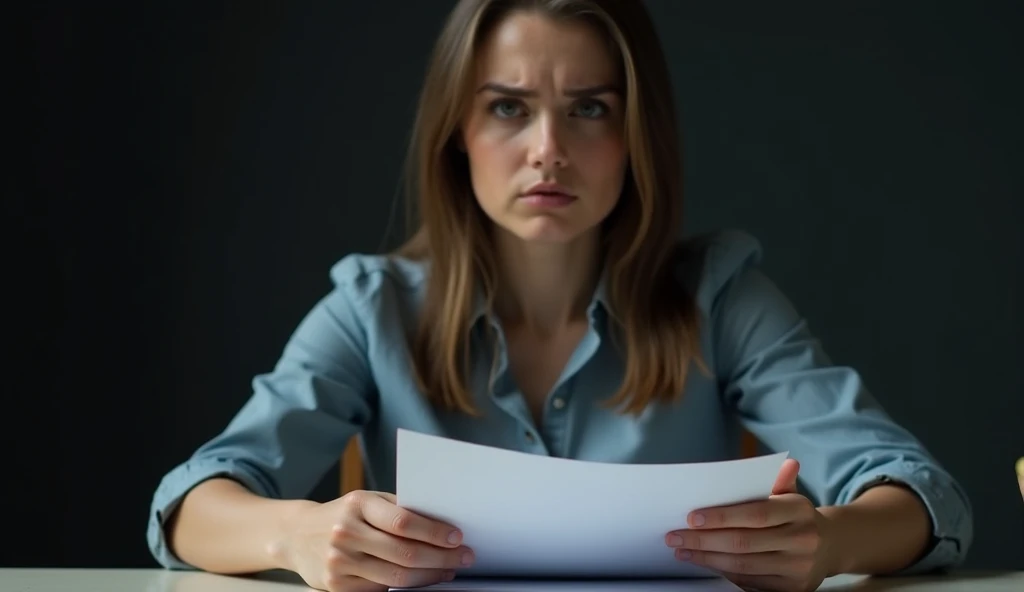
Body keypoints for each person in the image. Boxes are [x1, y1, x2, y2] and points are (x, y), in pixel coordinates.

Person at [147, 1, 973, 591]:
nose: (549, 152)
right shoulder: (374, 309)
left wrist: (828, 541)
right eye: (508, 107)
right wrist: (297, 533)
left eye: (589, 110)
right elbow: (194, 502)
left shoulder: (720, 298)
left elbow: (916, 491)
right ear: (456, 135)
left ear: (635, 135)